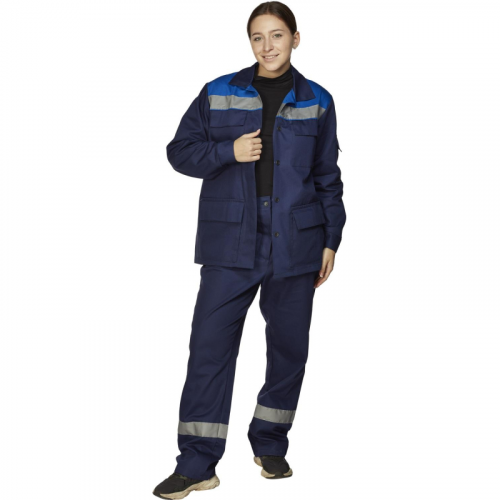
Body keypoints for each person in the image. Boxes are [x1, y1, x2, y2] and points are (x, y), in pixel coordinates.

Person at [153, 1, 346, 498]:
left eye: (277, 35)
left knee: (289, 348)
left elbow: (327, 177)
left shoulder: (318, 100)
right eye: (258, 37)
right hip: (230, 240)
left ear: (295, 39)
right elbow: (179, 151)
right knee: (209, 347)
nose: (267, 46)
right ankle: (197, 463)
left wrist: (331, 239)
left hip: (297, 240)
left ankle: (270, 441)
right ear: (250, 43)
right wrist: (229, 151)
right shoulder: (218, 92)